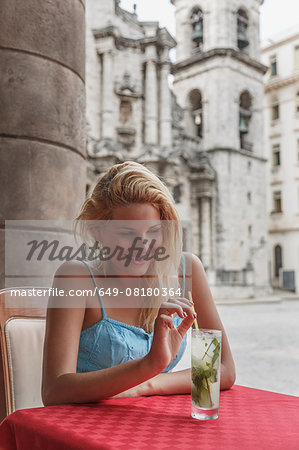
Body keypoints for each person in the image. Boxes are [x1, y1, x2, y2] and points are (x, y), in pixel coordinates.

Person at [42, 161, 235, 405]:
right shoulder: (76, 278)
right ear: (99, 231)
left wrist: (146, 384)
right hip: (85, 426)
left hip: (150, 421)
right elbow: (54, 392)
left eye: (153, 231)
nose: (142, 246)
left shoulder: (187, 270)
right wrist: (149, 365)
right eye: (127, 233)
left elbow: (223, 369)